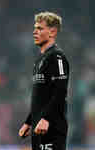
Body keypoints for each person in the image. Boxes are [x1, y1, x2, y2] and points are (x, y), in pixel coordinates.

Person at [19, 11, 70, 150]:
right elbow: (40, 98)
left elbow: (60, 92)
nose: (35, 32)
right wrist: (29, 122)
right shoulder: (39, 60)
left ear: (52, 32)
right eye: (34, 28)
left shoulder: (57, 57)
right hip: (38, 128)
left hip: (52, 128)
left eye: (40, 28)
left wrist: (46, 119)